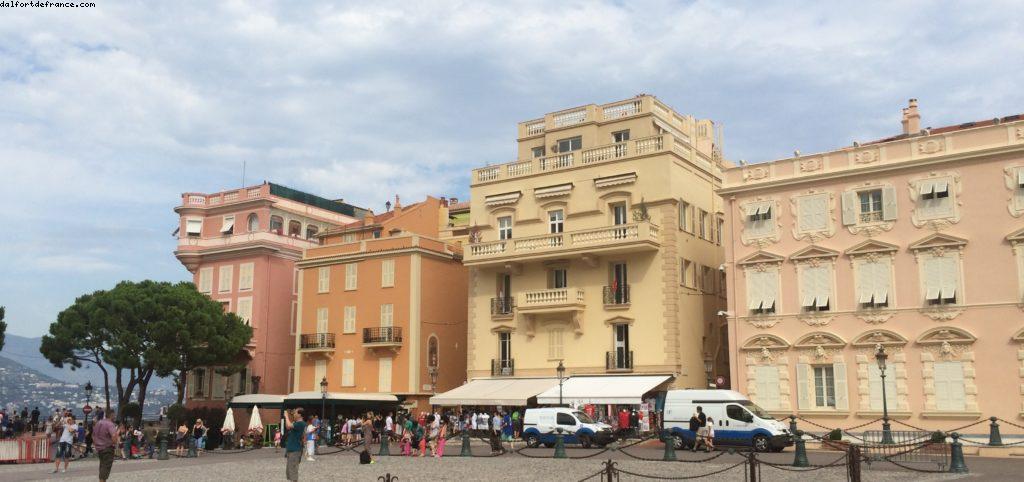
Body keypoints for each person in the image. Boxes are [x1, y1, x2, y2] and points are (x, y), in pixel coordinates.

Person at [93, 411, 119, 482]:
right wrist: (115, 443)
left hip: (99, 448)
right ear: (112, 415)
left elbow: (93, 435)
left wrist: (96, 444)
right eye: (114, 415)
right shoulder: (110, 424)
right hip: (108, 448)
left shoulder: (98, 423)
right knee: (106, 467)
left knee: (102, 466)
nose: (115, 417)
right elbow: (114, 436)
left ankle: (101, 480)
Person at [284, 409, 306, 481]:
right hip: (292, 449)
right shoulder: (296, 423)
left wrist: (286, 416)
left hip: (295, 450)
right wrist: (286, 418)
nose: (294, 414)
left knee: (293, 470)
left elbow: (289, 425)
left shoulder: (301, 423)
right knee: (290, 471)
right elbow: (287, 427)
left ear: (299, 414)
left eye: (295, 412)